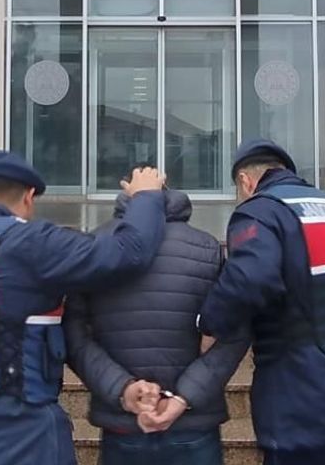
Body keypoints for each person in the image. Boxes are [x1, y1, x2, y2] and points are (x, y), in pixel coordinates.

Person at [0, 150, 168, 465]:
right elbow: (127, 253)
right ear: (29, 196)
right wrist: (146, 197)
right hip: (8, 425)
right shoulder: (27, 242)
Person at [198, 139, 325, 465]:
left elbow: (250, 278)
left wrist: (209, 324)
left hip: (305, 411)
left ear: (245, 181)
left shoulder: (259, 211)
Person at [64, 175, 249, 465]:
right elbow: (233, 333)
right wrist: (183, 397)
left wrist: (122, 388)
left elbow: (75, 337)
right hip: (192, 423)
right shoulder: (208, 248)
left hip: (123, 422)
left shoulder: (97, 246)